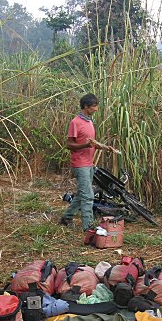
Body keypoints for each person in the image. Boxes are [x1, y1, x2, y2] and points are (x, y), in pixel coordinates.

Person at [60, 93, 117, 230]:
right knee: (88, 196)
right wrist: (85, 145)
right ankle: (89, 227)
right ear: (86, 106)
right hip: (80, 164)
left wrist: (104, 147)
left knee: (82, 194)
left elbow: (91, 143)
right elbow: (69, 144)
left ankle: (66, 218)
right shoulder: (75, 122)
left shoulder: (89, 122)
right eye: (94, 106)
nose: (96, 109)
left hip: (89, 163)